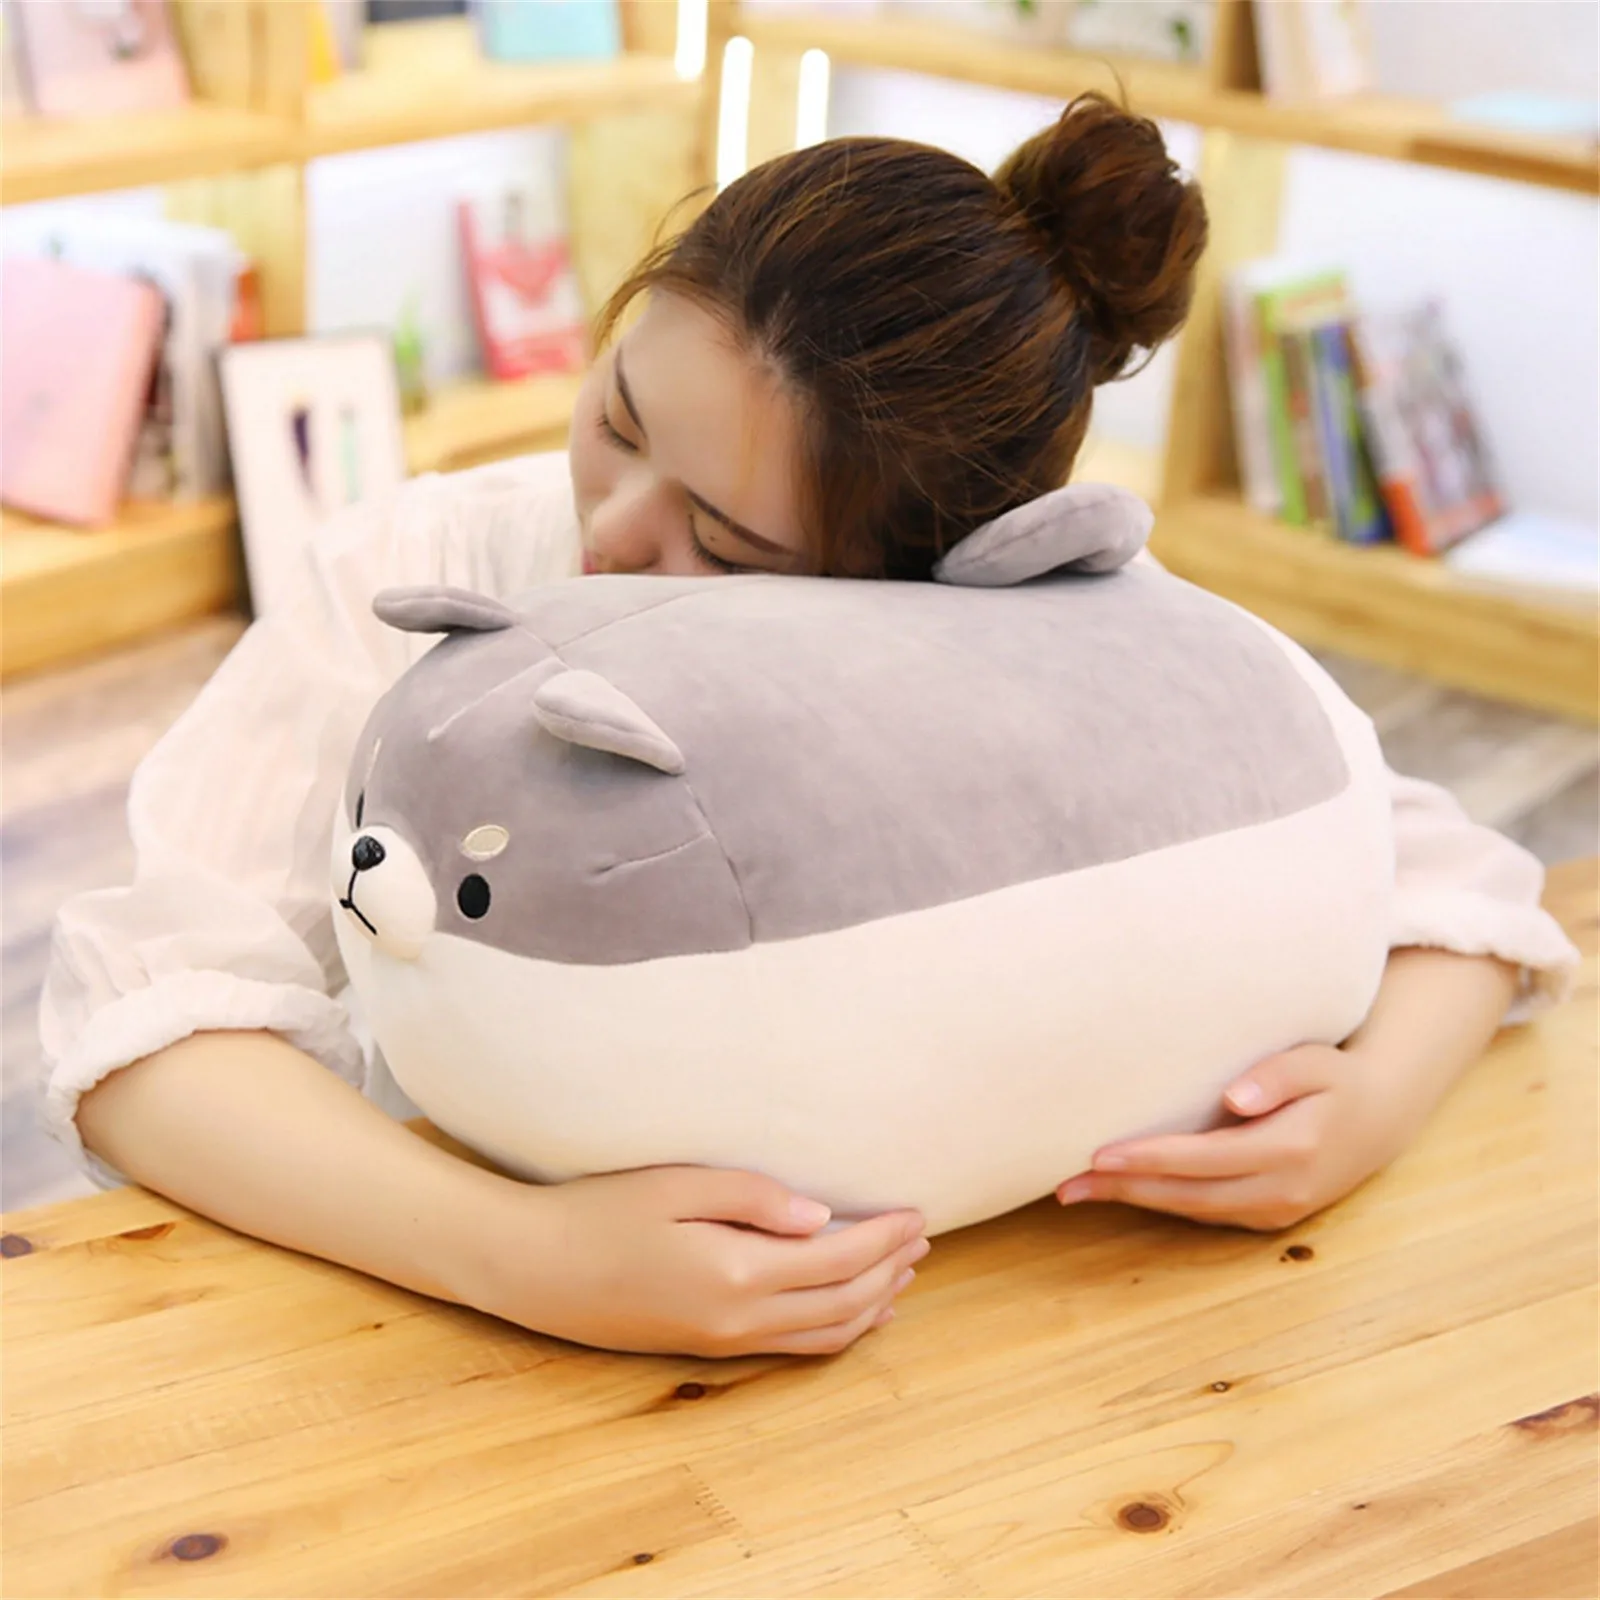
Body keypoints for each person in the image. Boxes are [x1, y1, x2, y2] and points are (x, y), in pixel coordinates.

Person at [42, 98, 1577, 1359]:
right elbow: (145, 1028)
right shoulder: (421, 565)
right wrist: (520, 1253)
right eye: (620, 418)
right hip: (438, 1320)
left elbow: (1445, 876)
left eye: (728, 544)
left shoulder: (1033, 626)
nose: (613, 534)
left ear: (941, 574)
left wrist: (1375, 1101)